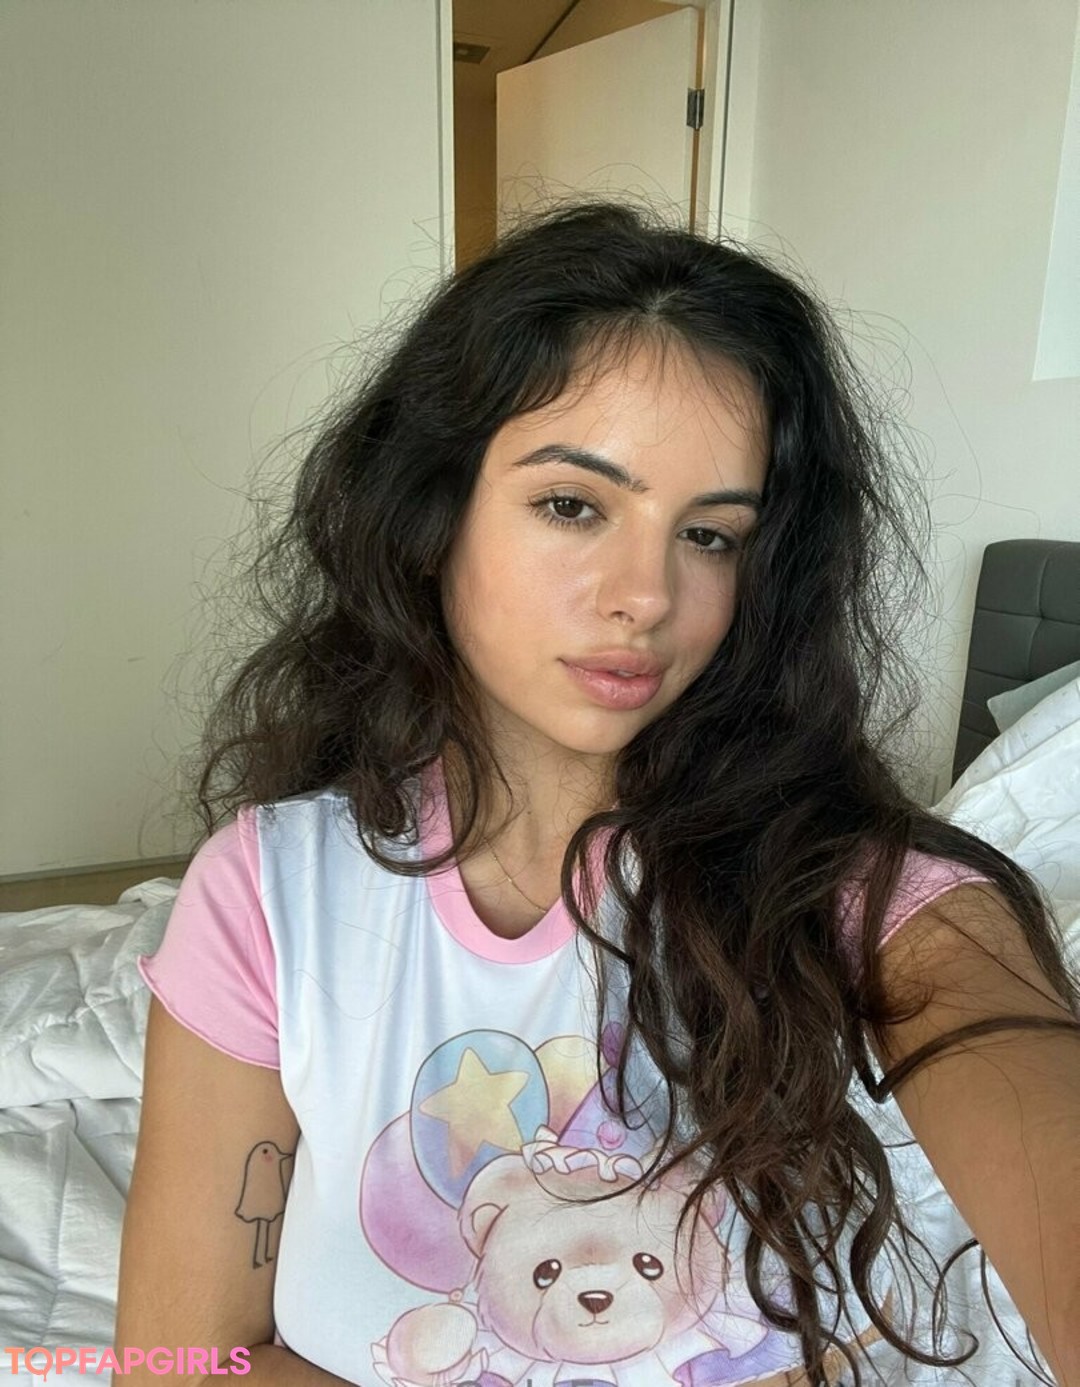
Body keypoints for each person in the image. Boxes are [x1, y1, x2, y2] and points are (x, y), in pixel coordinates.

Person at [114, 200, 1080, 1387]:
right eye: (573, 505)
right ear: (432, 514)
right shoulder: (271, 892)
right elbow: (177, 1362)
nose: (647, 595)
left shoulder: (864, 894)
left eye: (711, 535)